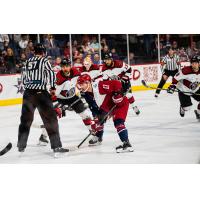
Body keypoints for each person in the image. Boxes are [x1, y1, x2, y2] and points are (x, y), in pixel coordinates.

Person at [17, 43, 68, 156]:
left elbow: (23, 78)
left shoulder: (27, 62)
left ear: (34, 51)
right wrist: (53, 88)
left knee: (25, 120)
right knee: (50, 120)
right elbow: (51, 74)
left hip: (28, 94)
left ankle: (21, 145)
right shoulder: (44, 61)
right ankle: (56, 147)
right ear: (43, 52)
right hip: (41, 94)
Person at [38, 58, 95, 144]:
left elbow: (80, 82)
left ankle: (93, 131)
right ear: (61, 67)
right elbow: (54, 94)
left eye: (67, 66)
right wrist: (57, 106)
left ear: (70, 66)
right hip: (61, 99)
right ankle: (43, 136)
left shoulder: (75, 71)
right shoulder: (58, 78)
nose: (65, 68)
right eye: (63, 67)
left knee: (85, 115)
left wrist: (81, 90)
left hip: (73, 97)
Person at [77, 74, 134, 153]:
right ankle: (125, 143)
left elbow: (116, 83)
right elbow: (93, 107)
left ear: (88, 83)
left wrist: (118, 94)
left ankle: (127, 144)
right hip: (108, 106)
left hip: (121, 103)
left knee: (118, 122)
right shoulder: (86, 94)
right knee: (102, 121)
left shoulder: (99, 86)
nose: (80, 86)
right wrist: (98, 120)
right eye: (79, 84)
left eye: (82, 84)